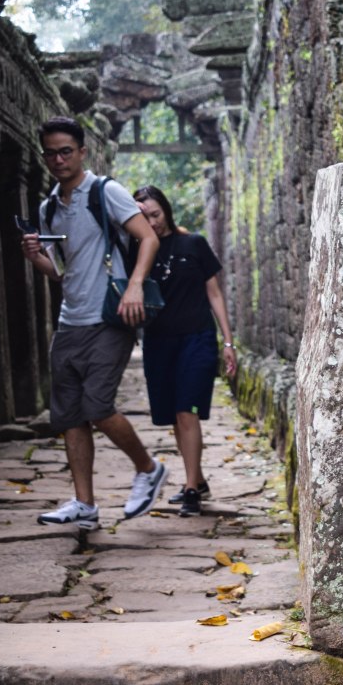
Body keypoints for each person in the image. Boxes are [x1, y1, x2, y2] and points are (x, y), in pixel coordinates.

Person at [22, 116, 168, 530]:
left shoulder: (106, 191)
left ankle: (148, 468)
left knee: (98, 407)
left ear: (82, 152)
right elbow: (60, 272)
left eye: (66, 151)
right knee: (69, 415)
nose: (58, 159)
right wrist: (35, 256)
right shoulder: (49, 207)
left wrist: (135, 286)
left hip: (110, 317)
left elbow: (148, 237)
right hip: (70, 322)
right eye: (51, 153)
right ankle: (84, 504)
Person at [133, 185, 236, 517]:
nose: (153, 222)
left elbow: (214, 294)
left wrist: (228, 341)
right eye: (145, 218)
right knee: (175, 416)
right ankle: (198, 479)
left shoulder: (193, 244)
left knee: (186, 411)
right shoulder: (137, 251)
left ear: (166, 209)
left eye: (156, 214)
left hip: (197, 338)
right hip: (159, 342)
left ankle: (191, 490)